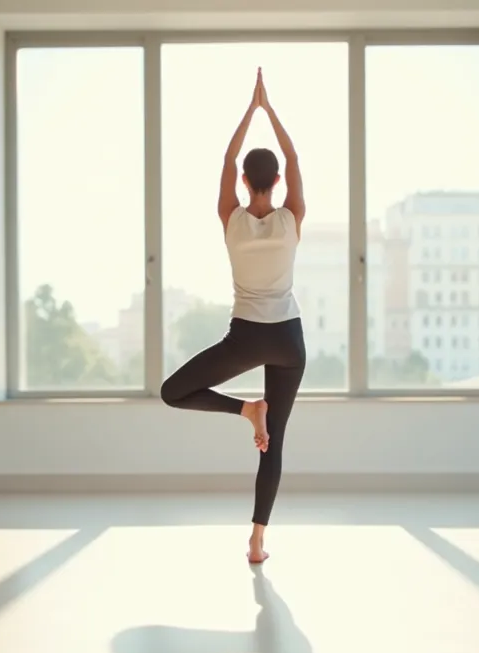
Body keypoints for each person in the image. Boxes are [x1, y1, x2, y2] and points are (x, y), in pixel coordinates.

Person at [160, 67, 306, 564]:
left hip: (245, 338)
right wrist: (271, 111)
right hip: (288, 341)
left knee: (173, 392)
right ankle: (257, 540)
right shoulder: (291, 219)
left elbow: (227, 158)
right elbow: (293, 157)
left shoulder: (232, 219)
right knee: (275, 443)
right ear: (278, 181)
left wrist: (251, 110)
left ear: (245, 181)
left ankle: (246, 410)